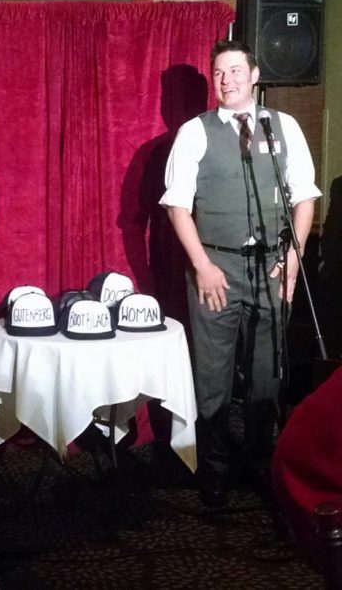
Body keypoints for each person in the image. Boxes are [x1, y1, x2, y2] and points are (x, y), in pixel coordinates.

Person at [159, 39, 321, 508]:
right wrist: (203, 266)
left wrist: (293, 258)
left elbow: (305, 197)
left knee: (268, 373)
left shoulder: (284, 126)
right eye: (218, 73)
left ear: (254, 76)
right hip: (217, 267)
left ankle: (261, 461)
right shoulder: (195, 131)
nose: (226, 79)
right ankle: (213, 468)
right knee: (213, 375)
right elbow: (177, 206)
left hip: (272, 264)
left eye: (234, 70)